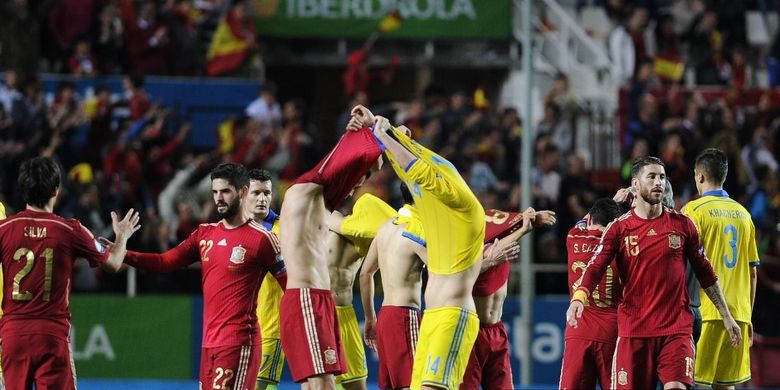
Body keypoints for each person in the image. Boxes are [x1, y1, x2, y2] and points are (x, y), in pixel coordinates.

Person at [566, 156, 741, 390]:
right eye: (651, 177)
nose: (658, 182)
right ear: (636, 185)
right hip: (634, 332)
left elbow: (705, 272)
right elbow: (595, 266)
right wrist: (579, 298)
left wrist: (726, 315)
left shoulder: (683, 225)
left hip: (675, 330)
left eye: (661, 177)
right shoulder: (619, 229)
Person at [124, 163, 287, 390]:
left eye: (225, 191)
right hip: (209, 344)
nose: (218, 198)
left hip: (239, 344)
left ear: (242, 192)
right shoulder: (204, 234)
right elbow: (165, 261)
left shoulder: (262, 239)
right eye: (215, 192)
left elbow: (290, 286)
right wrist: (123, 254)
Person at [368, 107, 485, 390]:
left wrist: (386, 135)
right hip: (431, 316)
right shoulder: (437, 213)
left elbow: (420, 173)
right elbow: (412, 176)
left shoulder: (464, 205)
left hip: (453, 315)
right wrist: (387, 135)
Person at [0, 156, 140, 389]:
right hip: (51, 335)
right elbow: (114, 264)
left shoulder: (4, 229)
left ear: (23, 189)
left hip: (13, 335)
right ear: (56, 190)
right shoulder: (70, 230)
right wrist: (122, 237)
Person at [278, 107, 383, 388]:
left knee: (318, 384)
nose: (358, 183)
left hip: (321, 300)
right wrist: (368, 130)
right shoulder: (304, 192)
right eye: (359, 177)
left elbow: (357, 162)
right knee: (322, 383)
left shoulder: (322, 208)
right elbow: (336, 164)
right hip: (307, 298)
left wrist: (363, 133)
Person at [682, 148, 759, 388]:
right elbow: (752, 272)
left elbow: (681, 265)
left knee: (697, 383)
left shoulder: (693, 211)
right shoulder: (744, 215)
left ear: (699, 176)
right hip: (739, 315)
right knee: (727, 385)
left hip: (705, 313)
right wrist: (747, 315)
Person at [462, 207, 552, 390]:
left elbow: (506, 230)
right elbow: (488, 254)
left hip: (497, 330)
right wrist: (524, 229)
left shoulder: (499, 245)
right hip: (471, 333)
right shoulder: (471, 250)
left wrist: (531, 220)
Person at [328, 193, 396, 389]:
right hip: (329, 310)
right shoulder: (367, 237)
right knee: (346, 381)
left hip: (334, 312)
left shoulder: (341, 227)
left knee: (347, 379)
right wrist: (370, 317)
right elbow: (366, 276)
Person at [559, 198, 623, 390]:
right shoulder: (622, 247)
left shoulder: (573, 237)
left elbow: (583, 221)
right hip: (612, 331)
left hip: (578, 328)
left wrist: (614, 199)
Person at [243, 168, 285, 390]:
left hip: (270, 329)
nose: (262, 199)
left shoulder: (284, 229)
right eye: (256, 193)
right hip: (238, 331)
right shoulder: (234, 229)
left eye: (267, 193)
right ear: (244, 194)